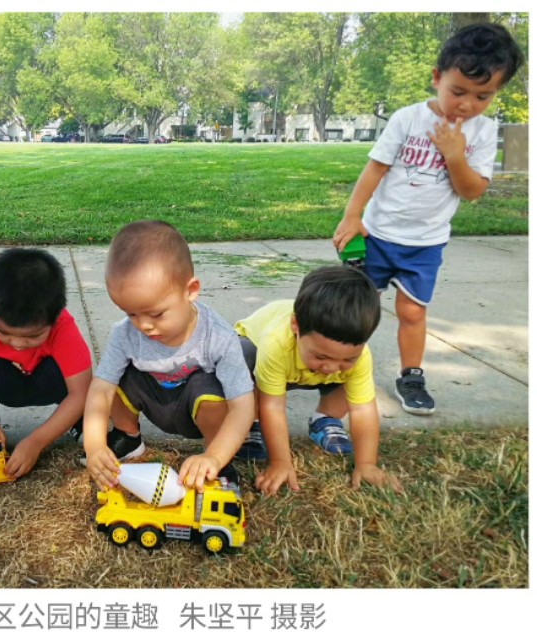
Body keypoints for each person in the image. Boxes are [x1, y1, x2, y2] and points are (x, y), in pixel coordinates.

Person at [333, 23, 524, 416]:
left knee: (412, 311)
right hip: (379, 234)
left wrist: (455, 154)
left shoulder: (484, 133)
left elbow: (472, 190)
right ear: (437, 78)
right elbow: (375, 170)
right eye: (458, 91)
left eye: (483, 96)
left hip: (426, 243)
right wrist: (352, 217)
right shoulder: (407, 119)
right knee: (357, 308)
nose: (467, 105)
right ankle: (342, 368)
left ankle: (411, 375)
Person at [83, 220, 255, 492]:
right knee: (111, 377)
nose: (143, 325)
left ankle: (219, 465)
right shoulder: (125, 334)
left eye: (156, 313)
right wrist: (94, 447)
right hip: (155, 400)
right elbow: (100, 392)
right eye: (131, 313)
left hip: (198, 410)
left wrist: (215, 455)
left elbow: (243, 406)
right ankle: (128, 438)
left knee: (207, 387)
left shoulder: (218, 336)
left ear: (190, 291)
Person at [236, 266, 402, 496]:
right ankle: (249, 423)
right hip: (256, 353)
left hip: (302, 366)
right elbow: (272, 405)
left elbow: (363, 409)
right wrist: (280, 461)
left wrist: (366, 464)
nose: (332, 367)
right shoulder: (276, 343)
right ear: (296, 326)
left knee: (349, 378)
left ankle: (324, 419)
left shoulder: (359, 357)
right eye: (322, 356)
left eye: (347, 358)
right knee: (242, 367)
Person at [0, 248, 92, 479]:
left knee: (69, 375)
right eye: (4, 332)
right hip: (2, 382)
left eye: (33, 336)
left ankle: (80, 422)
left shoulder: (63, 327)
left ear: (55, 317)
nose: (18, 344)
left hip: (47, 383)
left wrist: (36, 442)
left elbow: (81, 392)